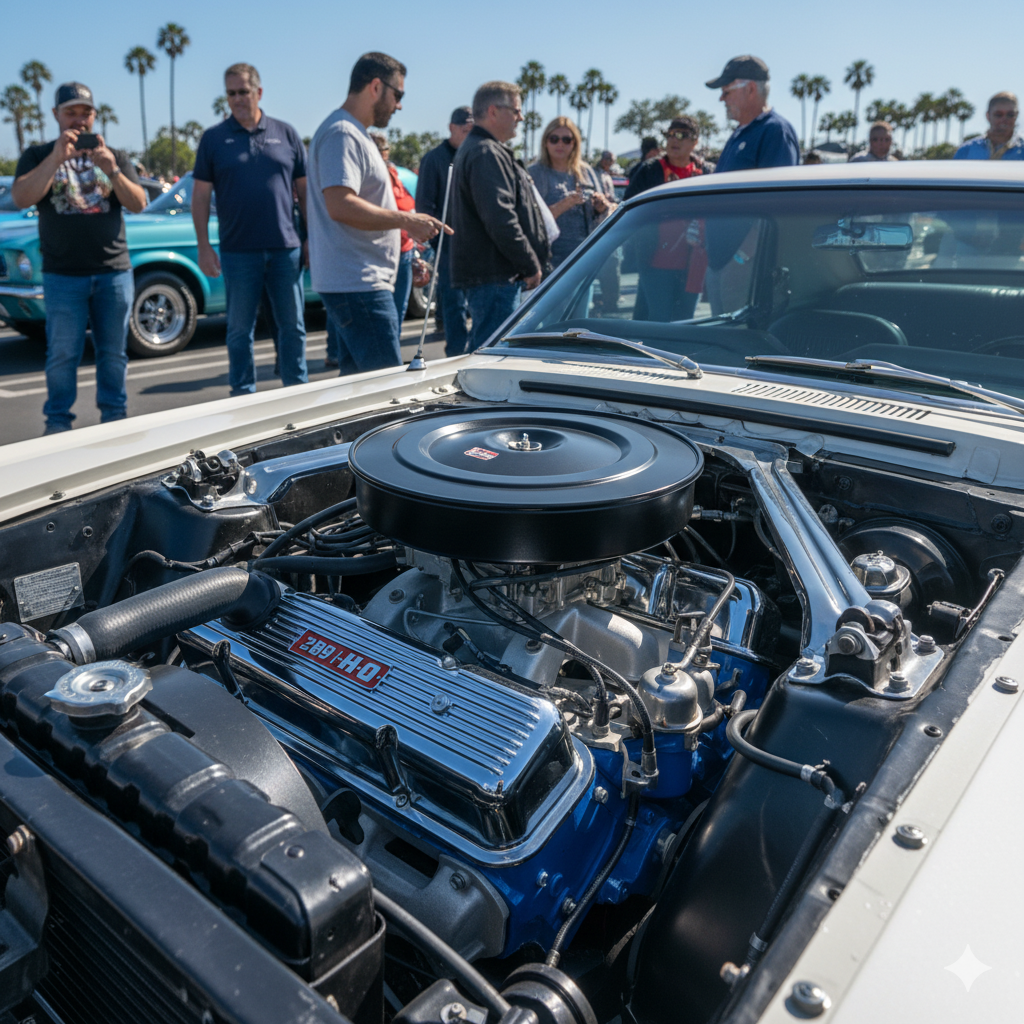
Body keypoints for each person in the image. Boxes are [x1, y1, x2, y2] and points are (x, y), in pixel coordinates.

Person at [12, 82, 147, 434]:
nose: (78, 120)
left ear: (94, 115)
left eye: (84, 112)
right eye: (70, 112)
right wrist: (56, 157)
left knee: (113, 354)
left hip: (113, 272)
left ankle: (114, 421)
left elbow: (138, 203)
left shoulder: (113, 154)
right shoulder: (39, 154)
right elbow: (22, 197)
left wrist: (112, 169)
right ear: (56, 115)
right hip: (62, 275)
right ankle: (57, 425)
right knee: (62, 356)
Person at [306, 52, 446, 375]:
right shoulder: (342, 133)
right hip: (360, 283)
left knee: (358, 390)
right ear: (375, 86)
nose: (399, 105)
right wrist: (406, 220)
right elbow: (340, 204)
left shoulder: (352, 133)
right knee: (384, 389)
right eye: (398, 94)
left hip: (358, 281)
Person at [193, 63, 309, 396]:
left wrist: (310, 239)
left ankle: (296, 393)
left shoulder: (285, 133)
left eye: (243, 91)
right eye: (231, 93)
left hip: (285, 248)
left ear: (258, 92)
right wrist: (203, 245)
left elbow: (305, 192)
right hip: (237, 251)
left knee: (293, 327)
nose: (237, 99)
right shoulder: (214, 139)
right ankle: (242, 396)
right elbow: (200, 197)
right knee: (239, 330)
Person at [450, 81, 549, 350]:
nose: (521, 117)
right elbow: (500, 217)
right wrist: (529, 264)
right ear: (494, 111)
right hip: (494, 277)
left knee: (491, 352)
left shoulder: (484, 149)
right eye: (516, 110)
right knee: (492, 356)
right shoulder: (485, 152)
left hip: (494, 277)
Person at [621, 116, 707, 322]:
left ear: (695, 142)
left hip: (695, 264)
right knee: (659, 321)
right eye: (670, 135)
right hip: (655, 262)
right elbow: (629, 209)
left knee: (685, 322)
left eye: (681, 135)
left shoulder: (705, 173)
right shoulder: (649, 171)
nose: (673, 140)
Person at [417, 107, 473, 355]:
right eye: (465, 130)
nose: (470, 135)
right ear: (452, 127)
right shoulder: (434, 159)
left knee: (478, 306)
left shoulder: (475, 155)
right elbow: (424, 207)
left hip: (477, 246)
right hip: (449, 247)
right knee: (454, 306)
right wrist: (439, 238)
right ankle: (457, 355)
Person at [529, 117, 613, 268]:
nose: (560, 144)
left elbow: (603, 213)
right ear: (545, 142)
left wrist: (601, 207)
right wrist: (565, 203)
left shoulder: (585, 171)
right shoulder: (535, 173)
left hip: (585, 260)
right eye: (554, 139)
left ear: (575, 143)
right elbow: (532, 220)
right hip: (550, 265)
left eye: (567, 140)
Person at [706, 56, 800, 172]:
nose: (721, 99)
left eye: (726, 92)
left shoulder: (775, 131)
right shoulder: (740, 133)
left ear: (751, 89)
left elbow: (778, 188)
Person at [370, 132, 418, 322]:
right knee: (385, 315)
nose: (384, 153)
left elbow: (406, 203)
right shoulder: (370, 177)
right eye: (381, 149)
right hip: (382, 252)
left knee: (398, 310)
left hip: (404, 248)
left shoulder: (393, 173)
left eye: (384, 149)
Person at [955, 93, 1023, 160]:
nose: (1004, 119)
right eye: (998, 115)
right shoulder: (967, 150)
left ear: (1016, 115)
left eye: (1010, 115)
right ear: (988, 116)